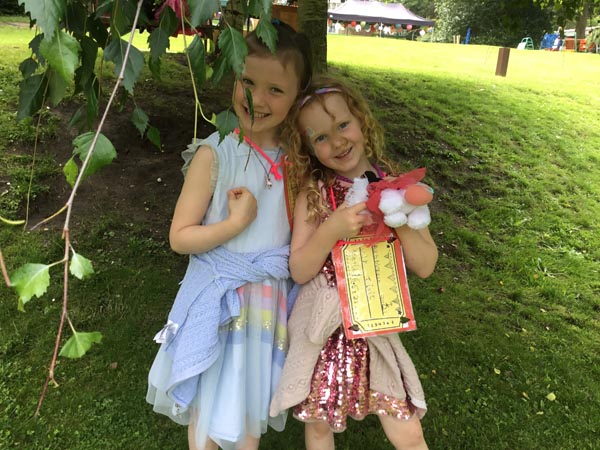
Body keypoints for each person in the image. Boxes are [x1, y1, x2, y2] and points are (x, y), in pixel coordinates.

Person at [146, 21, 312, 450]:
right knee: (206, 421)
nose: (257, 99)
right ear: (233, 77)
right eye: (248, 82)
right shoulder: (215, 152)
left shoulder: (297, 164)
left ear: (297, 99)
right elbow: (180, 237)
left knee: (247, 420)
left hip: (264, 312)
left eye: (276, 90)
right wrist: (233, 226)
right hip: (217, 304)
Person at [269, 76, 438, 450]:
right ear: (309, 148)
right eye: (322, 137)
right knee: (317, 424)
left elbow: (426, 265)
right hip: (323, 328)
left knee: (406, 426)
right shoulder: (314, 195)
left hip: (375, 323)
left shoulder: (397, 188)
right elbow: (299, 269)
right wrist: (332, 228)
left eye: (343, 125)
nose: (338, 141)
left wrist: (399, 219)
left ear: (361, 120)